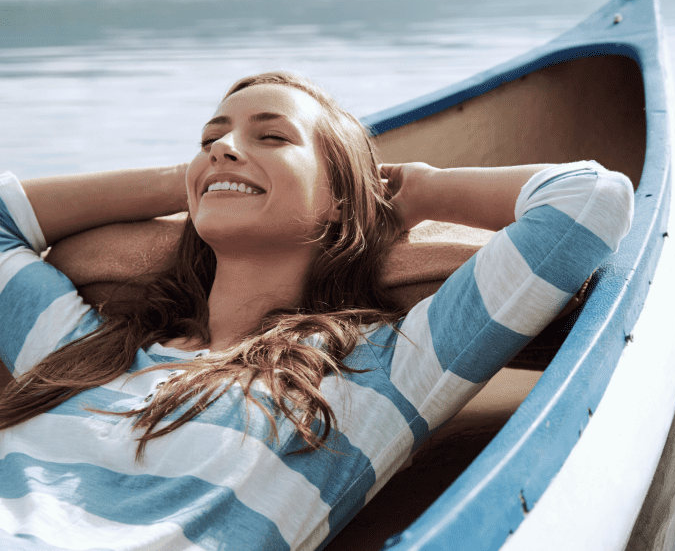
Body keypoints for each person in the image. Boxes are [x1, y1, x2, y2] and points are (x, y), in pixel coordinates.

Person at [0, 71, 634, 550]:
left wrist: (427, 189)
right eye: (210, 139)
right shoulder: (81, 349)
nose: (223, 147)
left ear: (339, 201)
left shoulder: (379, 371)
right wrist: (191, 181)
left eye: (271, 136)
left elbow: (589, 202)